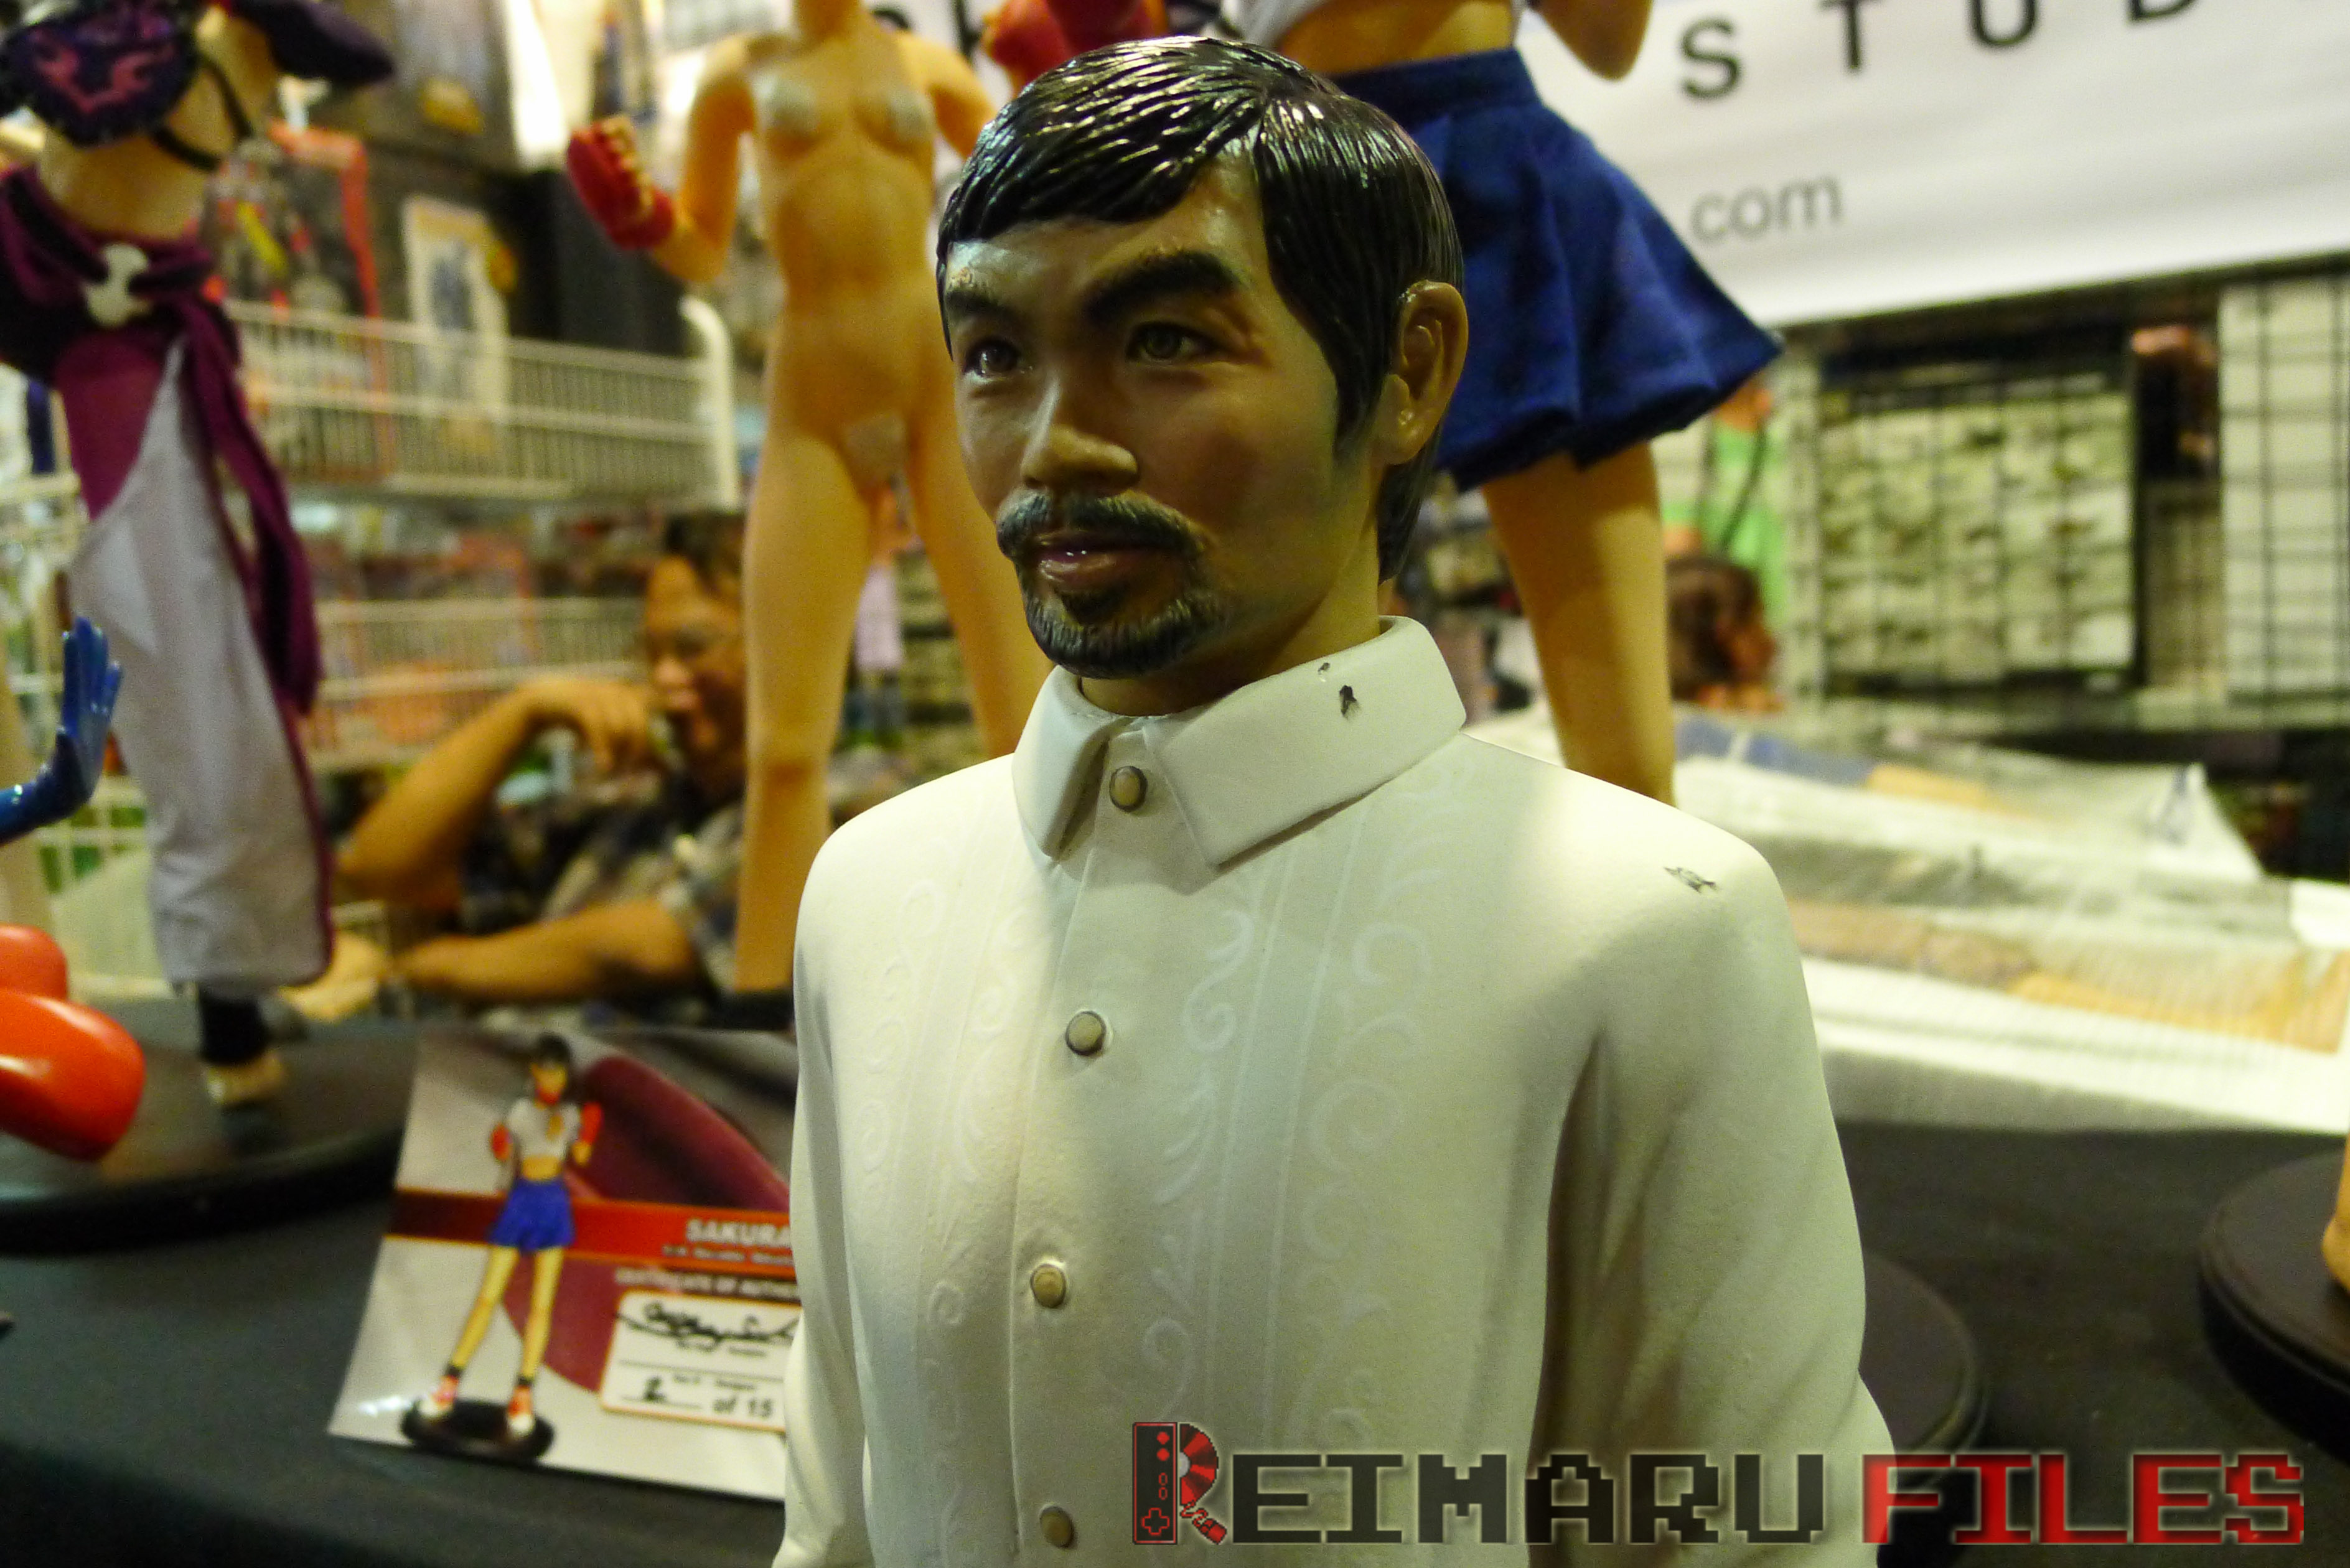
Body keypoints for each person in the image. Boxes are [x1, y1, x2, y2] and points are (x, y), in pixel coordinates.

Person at [777, 40, 1884, 1564]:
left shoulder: (1646, 929)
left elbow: (1754, 1533)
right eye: (992, 357)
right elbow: (835, 1501)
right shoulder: (868, 898)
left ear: (1410, 370)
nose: (1054, 445)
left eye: (1165, 341)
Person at [992, 0, 1776, 807]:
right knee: (1254, 740)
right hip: (1268, 189)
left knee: (1622, 759)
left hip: (1470, 166)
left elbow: (1609, 43)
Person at [564, 0, 1050, 1011]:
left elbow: (1038, 199)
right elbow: (703, 248)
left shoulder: (931, 70)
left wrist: (1048, 83)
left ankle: (1064, 948)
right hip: (813, 396)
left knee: (1025, 705)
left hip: (931, 377)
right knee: (786, 744)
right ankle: (763, 1008)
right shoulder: (735, 74)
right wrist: (641, 217)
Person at [0, 0, 393, 1105]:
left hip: (143, 353)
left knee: (213, 704)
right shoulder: (143, 47)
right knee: (187, 701)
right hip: (112, 360)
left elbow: (353, 50)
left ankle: (236, 999)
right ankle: (228, 1017)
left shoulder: (214, 43)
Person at [336, 518, 748, 1015]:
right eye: (649, 653)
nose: (663, 677)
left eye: (693, 648)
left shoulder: (823, 799)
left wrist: (424, 968)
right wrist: (525, 710)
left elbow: (659, 944)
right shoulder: (635, 797)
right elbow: (378, 867)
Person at [410, 1034, 602, 1441]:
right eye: (546, 1072)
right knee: (487, 1297)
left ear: (567, 1076)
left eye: (559, 1073)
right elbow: (503, 1153)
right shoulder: (520, 1110)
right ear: (535, 1072)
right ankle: (449, 1382)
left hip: (553, 1202)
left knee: (542, 1305)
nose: (552, 1080)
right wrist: (499, 1142)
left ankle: (523, 1393)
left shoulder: (572, 1113)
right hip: (522, 1199)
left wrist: (587, 1132)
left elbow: (582, 1158)